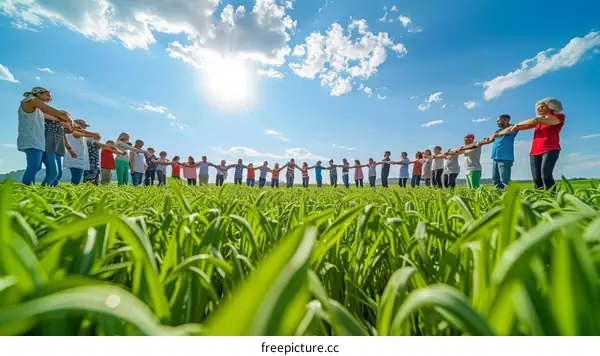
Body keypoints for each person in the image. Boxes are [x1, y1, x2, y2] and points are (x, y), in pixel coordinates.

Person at [17, 87, 73, 185]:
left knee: (51, 172)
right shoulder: (30, 101)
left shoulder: (38, 109)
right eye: (47, 95)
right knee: (34, 166)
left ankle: (42, 191)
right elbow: (49, 110)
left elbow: (54, 117)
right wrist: (68, 119)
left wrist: (66, 121)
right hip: (30, 139)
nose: (50, 98)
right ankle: (25, 190)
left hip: (39, 140)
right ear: (38, 94)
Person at [508, 98, 565, 191]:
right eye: (538, 107)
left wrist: (517, 124)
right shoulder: (540, 120)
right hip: (535, 151)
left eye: (542, 106)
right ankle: (540, 199)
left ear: (551, 106)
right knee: (536, 179)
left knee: (546, 176)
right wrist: (514, 127)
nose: (539, 109)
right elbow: (525, 126)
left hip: (550, 149)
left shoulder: (559, 117)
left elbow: (534, 120)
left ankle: (552, 198)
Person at [476, 115, 518, 190]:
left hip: (505, 157)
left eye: (499, 120)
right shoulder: (497, 131)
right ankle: (499, 194)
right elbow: (488, 140)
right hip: (495, 158)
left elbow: (508, 130)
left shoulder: (513, 127)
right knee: (496, 179)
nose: (497, 122)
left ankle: (510, 195)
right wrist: (479, 143)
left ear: (506, 120)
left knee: (505, 180)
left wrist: (495, 135)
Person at [63, 120, 103, 185]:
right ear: (77, 124)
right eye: (83, 125)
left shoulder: (83, 135)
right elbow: (83, 134)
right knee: (76, 179)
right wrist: (94, 134)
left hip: (79, 159)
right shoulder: (73, 131)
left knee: (77, 178)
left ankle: (72, 192)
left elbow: (94, 139)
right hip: (75, 158)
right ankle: (71, 192)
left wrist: (95, 136)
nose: (84, 128)